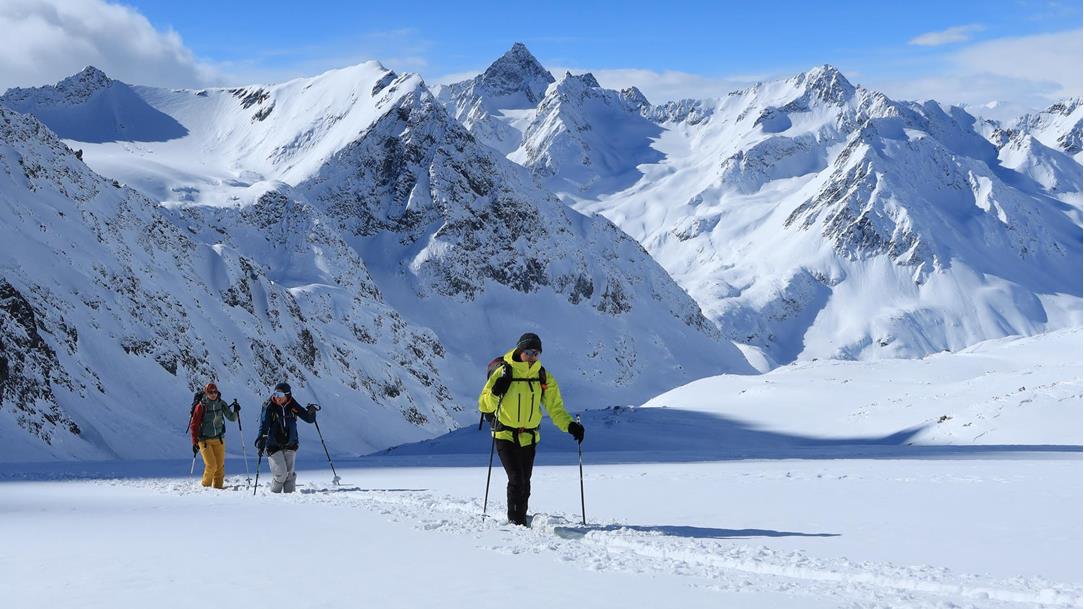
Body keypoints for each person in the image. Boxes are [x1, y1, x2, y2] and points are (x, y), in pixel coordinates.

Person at [478, 332, 585, 526]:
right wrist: (495, 392)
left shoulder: (542, 376)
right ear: (520, 350)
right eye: (528, 352)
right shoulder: (503, 372)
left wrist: (570, 426)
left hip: (529, 436)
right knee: (516, 478)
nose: (532, 357)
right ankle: (515, 523)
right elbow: (484, 405)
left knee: (525, 481)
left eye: (536, 353)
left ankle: (520, 519)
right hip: (504, 433)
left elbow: (555, 408)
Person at [255, 382, 317, 493]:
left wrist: (312, 412)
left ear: (287, 395)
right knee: (281, 474)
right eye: (275, 394)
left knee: (289, 476)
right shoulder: (269, 406)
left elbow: (308, 419)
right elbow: (264, 426)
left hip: (290, 444)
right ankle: (274, 497)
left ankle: (290, 500)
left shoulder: (292, 404)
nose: (277, 397)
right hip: (273, 445)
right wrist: (260, 443)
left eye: (280, 395)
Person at [189, 382, 240, 489]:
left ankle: (218, 490)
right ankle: (205, 488)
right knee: (211, 466)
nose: (213, 394)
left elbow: (232, 418)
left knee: (220, 467)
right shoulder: (201, 406)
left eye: (215, 392)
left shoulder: (221, 403)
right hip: (204, 440)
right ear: (206, 393)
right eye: (210, 392)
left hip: (219, 439)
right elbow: (194, 425)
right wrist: (194, 442)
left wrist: (236, 411)